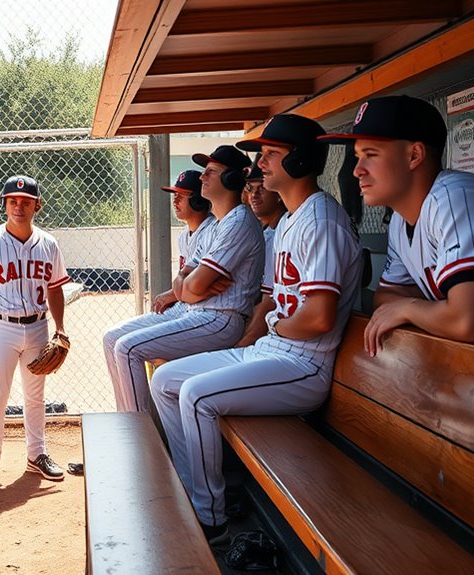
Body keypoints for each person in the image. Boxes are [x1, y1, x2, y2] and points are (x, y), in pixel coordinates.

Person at [151, 115, 362, 545]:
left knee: (196, 395)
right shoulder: (289, 220)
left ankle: (211, 518)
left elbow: (319, 317)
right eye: (261, 155)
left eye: (271, 154)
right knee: (168, 380)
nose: (260, 164)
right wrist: (270, 326)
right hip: (275, 351)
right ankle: (193, 491)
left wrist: (275, 324)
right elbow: (271, 300)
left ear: (300, 159)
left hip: (305, 363)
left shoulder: (321, 220)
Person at [319, 94, 474, 358]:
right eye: (357, 156)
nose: (357, 170)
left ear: (414, 155)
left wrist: (409, 308)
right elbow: (385, 298)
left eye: (370, 154)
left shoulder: (457, 199)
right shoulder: (400, 220)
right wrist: (435, 310)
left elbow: (468, 322)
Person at [0, 175, 71, 488]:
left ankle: (37, 455)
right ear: (4, 204)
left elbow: (56, 288)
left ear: (37, 205)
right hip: (1, 328)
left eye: (25, 201)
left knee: (36, 396)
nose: (18, 206)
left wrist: (60, 328)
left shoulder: (48, 244)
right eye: (12, 201)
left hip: (38, 326)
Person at [101, 169, 216, 412]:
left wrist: (175, 292)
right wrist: (180, 289)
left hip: (198, 313)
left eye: (182, 195)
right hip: (183, 309)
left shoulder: (212, 230)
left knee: (127, 347)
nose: (175, 200)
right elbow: (185, 284)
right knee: (111, 337)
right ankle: (126, 414)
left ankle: (141, 425)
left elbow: (197, 286)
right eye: (175, 195)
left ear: (199, 199)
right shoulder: (185, 235)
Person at [234, 155, 289, 347]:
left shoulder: (282, 231)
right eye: (250, 189)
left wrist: (242, 344)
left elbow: (268, 302)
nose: (254, 196)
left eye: (262, 189)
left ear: (278, 194)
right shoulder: (266, 230)